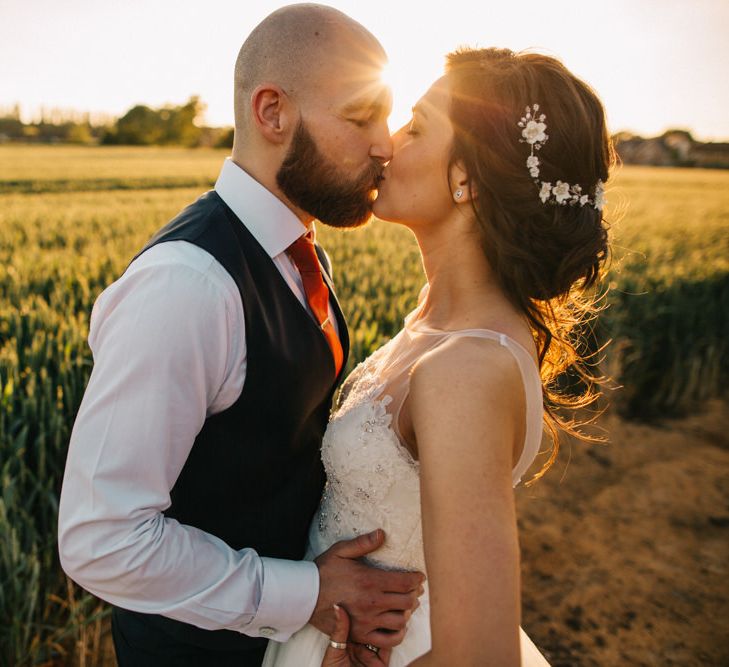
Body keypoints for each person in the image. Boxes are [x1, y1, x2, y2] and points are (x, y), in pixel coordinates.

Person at [57, 5, 424, 666]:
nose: (385, 143)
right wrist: (304, 591)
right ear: (272, 112)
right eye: (361, 114)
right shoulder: (188, 285)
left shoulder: (296, 250)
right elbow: (102, 538)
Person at [263, 47, 613, 667]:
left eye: (417, 126)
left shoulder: (466, 369)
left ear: (468, 179)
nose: (386, 144)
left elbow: (481, 656)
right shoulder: (437, 323)